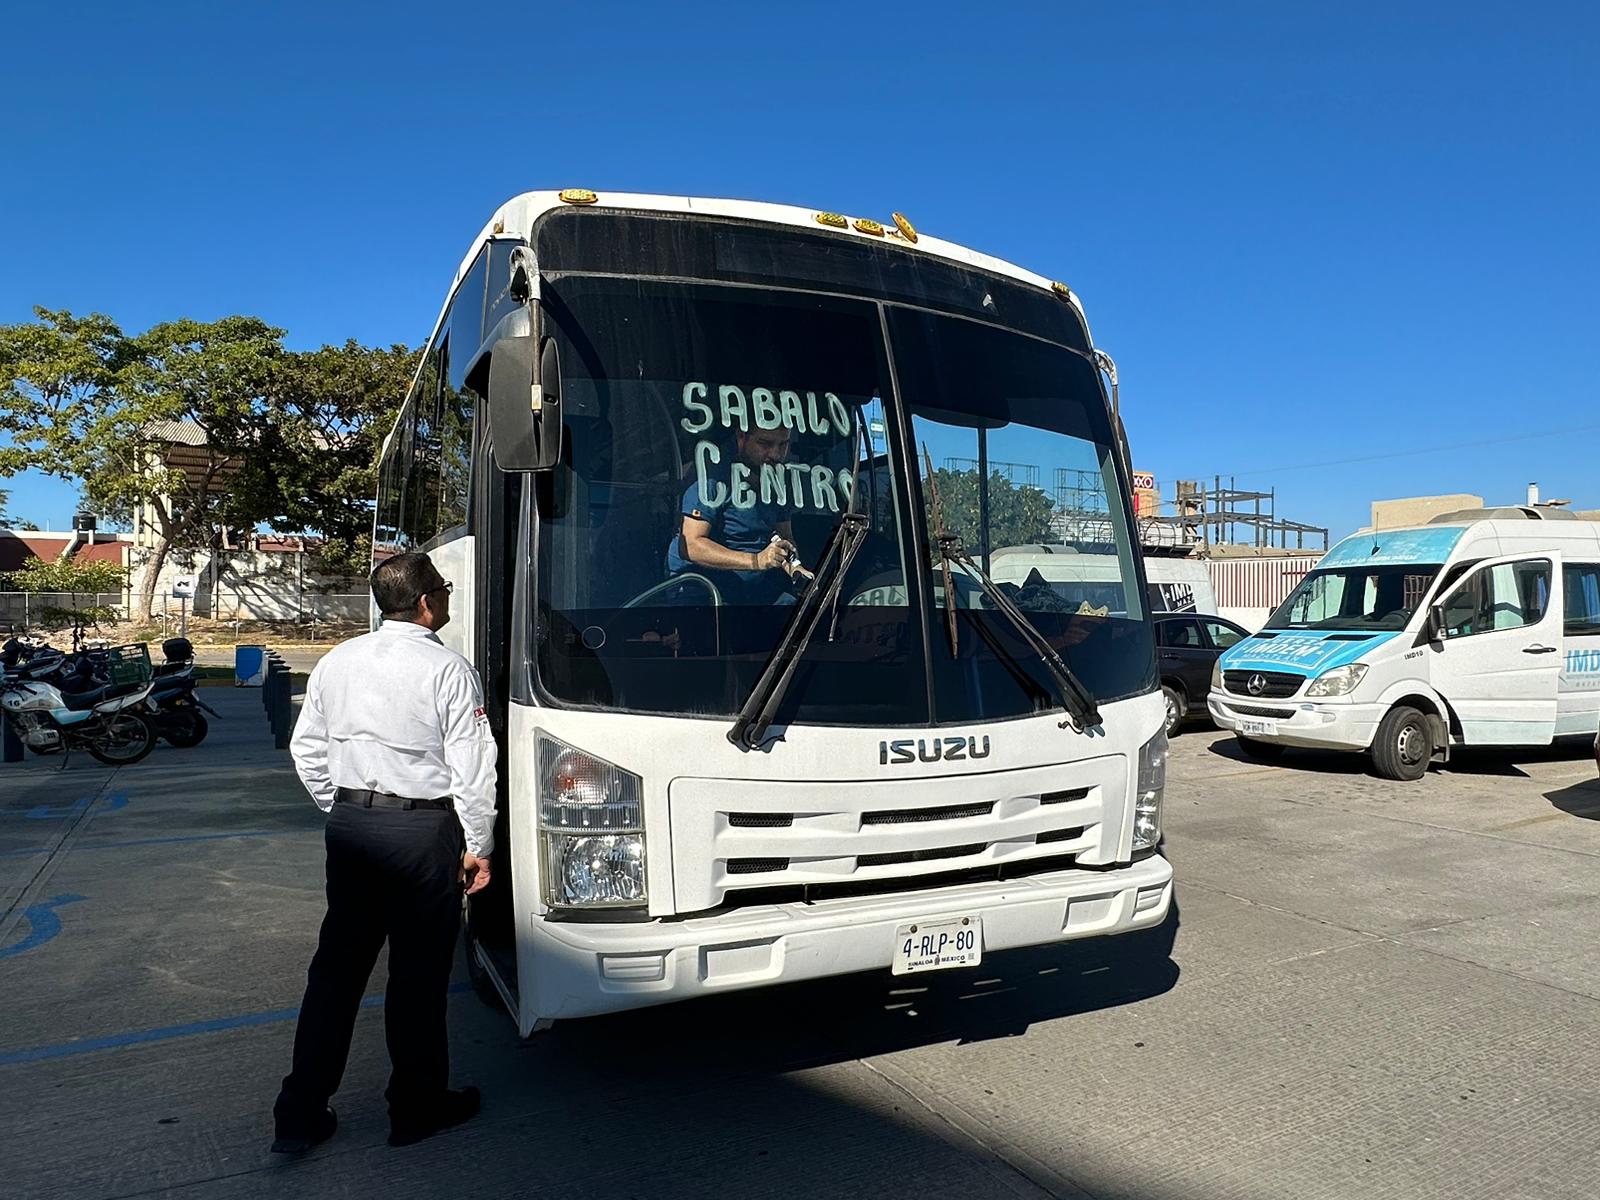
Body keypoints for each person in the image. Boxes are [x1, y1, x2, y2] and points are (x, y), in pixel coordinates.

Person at [271, 551, 497, 1154]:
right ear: (427, 602)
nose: (446, 598)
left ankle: (299, 1113)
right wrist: (479, 846)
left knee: (336, 973)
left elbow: (307, 749)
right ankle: (416, 1107)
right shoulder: (448, 670)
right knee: (417, 977)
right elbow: (472, 770)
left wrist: (341, 806)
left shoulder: (338, 661)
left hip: (351, 830)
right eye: (444, 590)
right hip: (422, 832)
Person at [665, 426, 812, 604]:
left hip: (753, 589)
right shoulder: (713, 471)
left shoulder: (777, 478)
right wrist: (757, 560)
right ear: (741, 437)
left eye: (783, 444)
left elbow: (784, 535)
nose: (775, 454)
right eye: (764, 443)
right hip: (702, 590)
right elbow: (691, 545)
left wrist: (796, 569)